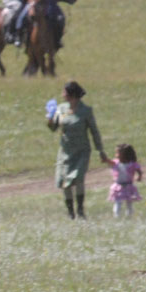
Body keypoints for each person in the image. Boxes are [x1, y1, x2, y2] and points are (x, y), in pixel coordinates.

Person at [46, 81, 107, 219]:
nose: (62, 95)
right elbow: (53, 128)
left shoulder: (86, 111)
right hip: (65, 152)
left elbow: (94, 131)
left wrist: (101, 150)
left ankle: (80, 210)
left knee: (78, 179)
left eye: (65, 92)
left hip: (81, 151)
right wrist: (50, 118)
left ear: (72, 94)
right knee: (64, 182)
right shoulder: (61, 109)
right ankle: (70, 212)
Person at [106, 143, 143, 218]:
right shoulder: (116, 163)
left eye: (118, 153)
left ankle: (129, 216)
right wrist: (105, 159)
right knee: (118, 202)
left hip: (128, 186)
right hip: (118, 186)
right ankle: (117, 216)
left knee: (129, 203)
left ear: (125, 154)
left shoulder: (132, 164)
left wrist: (139, 176)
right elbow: (110, 162)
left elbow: (139, 171)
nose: (116, 154)